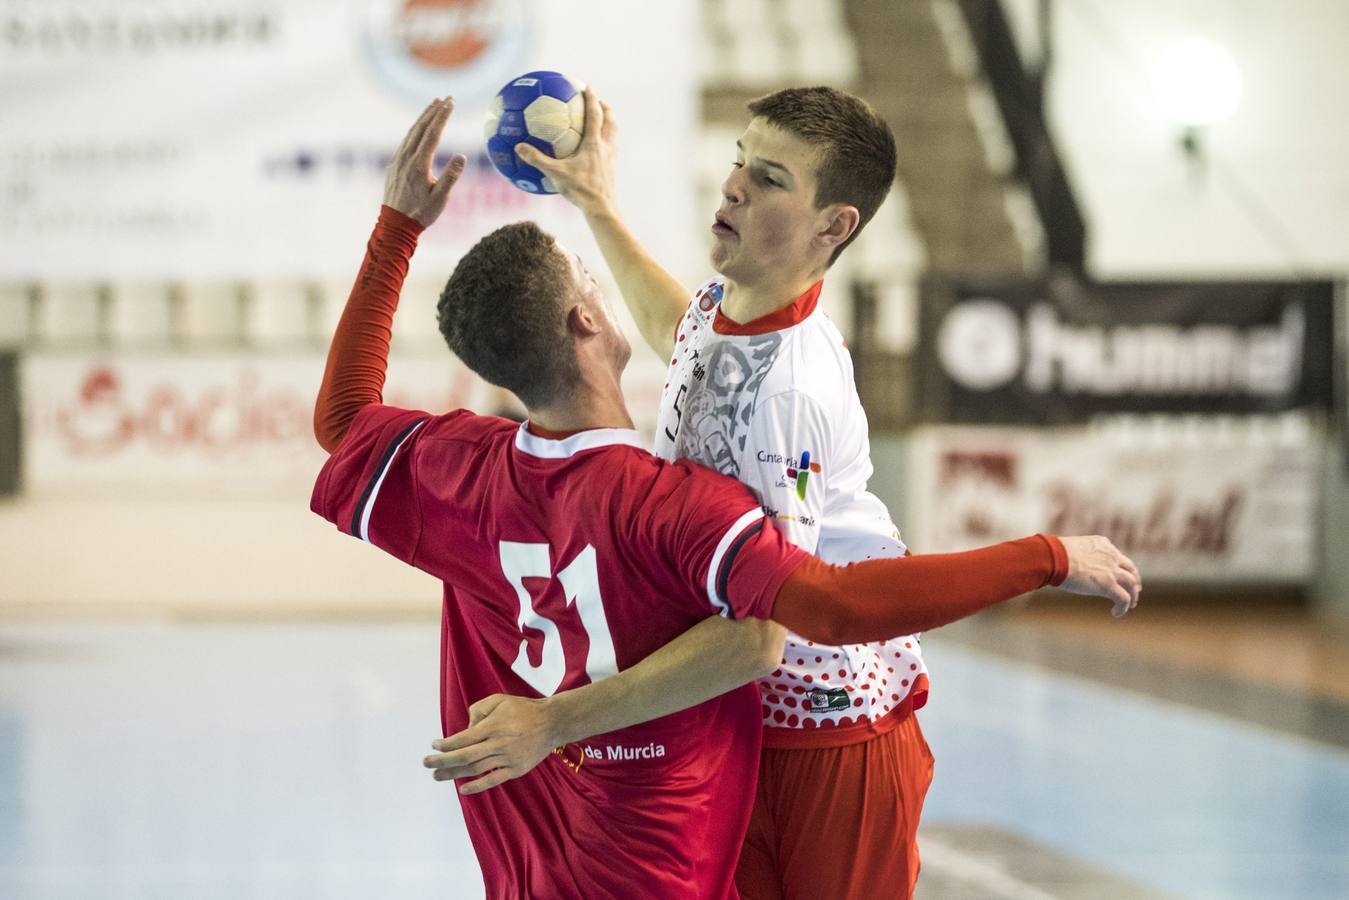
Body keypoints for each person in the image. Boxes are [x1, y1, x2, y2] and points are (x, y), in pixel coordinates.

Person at [313, 97, 1141, 899]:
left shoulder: (782, 400)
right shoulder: (725, 309)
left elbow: (781, 625)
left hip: (828, 725)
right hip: (735, 722)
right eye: (741, 160)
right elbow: (684, 333)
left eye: (770, 177)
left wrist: (1046, 557)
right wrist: (598, 205)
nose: (734, 184)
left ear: (833, 226)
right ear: (586, 322)